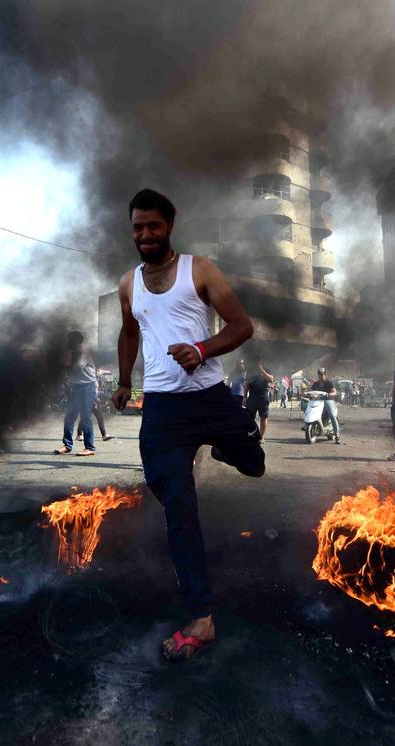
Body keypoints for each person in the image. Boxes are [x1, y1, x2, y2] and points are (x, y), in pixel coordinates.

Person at [111, 188, 264, 663]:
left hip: (210, 399)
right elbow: (130, 331)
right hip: (162, 409)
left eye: (153, 226)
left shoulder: (200, 270)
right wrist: (122, 382)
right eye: (138, 226)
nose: (145, 234)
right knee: (177, 501)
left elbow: (241, 326)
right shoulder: (127, 283)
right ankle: (201, 616)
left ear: (169, 226)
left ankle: (223, 445)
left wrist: (201, 349)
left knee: (254, 464)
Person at [54, 330, 99, 456]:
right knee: (69, 417)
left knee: (85, 418)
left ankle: (90, 447)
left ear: (77, 341)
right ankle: (67, 445)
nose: (68, 342)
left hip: (87, 387)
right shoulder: (72, 352)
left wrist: (62, 365)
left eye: (70, 340)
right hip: (75, 388)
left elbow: (76, 367)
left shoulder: (82, 352)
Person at [244, 357, 274, 444]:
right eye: (257, 361)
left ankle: (261, 437)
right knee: (249, 417)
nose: (258, 363)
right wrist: (245, 397)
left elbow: (271, 379)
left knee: (263, 417)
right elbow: (247, 384)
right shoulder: (250, 370)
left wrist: (262, 371)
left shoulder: (267, 370)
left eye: (260, 361)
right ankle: (251, 434)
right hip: (252, 397)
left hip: (263, 397)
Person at [309, 367, 342, 444]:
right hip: (318, 402)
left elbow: (335, 392)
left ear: (325, 374)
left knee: (332, 415)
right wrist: (307, 394)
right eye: (319, 374)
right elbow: (311, 391)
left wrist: (330, 394)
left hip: (328, 401)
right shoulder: (315, 384)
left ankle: (337, 435)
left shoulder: (329, 383)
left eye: (322, 374)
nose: (321, 376)